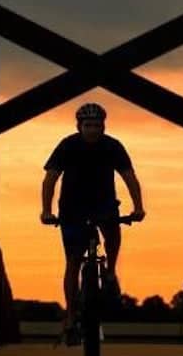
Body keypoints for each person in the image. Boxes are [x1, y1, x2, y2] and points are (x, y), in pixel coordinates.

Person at [39, 102, 145, 340]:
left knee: (113, 232)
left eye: (97, 125)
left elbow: (130, 178)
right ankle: (70, 316)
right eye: (88, 125)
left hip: (104, 203)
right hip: (72, 207)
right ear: (79, 126)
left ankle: (110, 271)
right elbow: (50, 179)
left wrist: (138, 207)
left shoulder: (113, 146)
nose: (93, 130)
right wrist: (46, 210)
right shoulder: (68, 146)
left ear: (103, 126)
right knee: (73, 261)